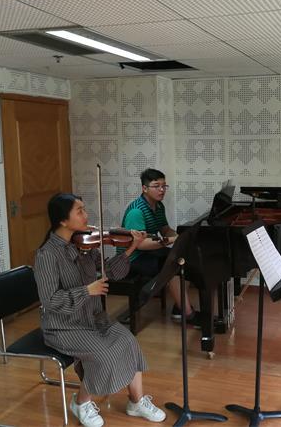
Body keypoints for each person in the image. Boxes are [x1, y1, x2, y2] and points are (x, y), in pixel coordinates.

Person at [34, 193, 166, 427]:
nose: (86, 216)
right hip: (63, 326)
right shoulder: (47, 255)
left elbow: (112, 273)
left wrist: (131, 248)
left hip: (93, 317)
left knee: (129, 342)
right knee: (105, 354)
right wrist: (87, 290)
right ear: (63, 220)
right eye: (80, 211)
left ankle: (136, 402)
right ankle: (80, 403)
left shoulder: (84, 244)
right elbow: (50, 300)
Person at [119, 168, 200, 326]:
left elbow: (165, 229)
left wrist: (180, 237)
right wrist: (171, 240)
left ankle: (179, 307)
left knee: (184, 258)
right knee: (172, 264)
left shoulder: (159, 206)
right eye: (157, 186)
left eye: (164, 186)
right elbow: (140, 245)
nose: (162, 190)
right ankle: (188, 314)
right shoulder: (136, 211)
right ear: (144, 188)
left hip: (149, 252)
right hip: (131, 258)